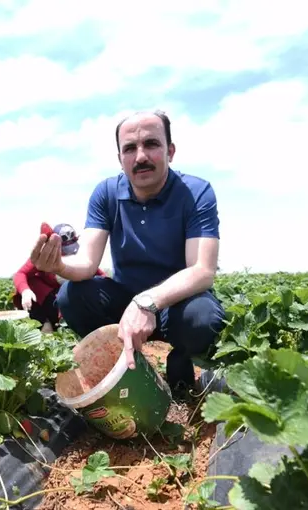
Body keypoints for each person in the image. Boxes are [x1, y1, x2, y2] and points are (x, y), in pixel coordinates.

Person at [29, 110, 226, 392]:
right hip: (124, 303)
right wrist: (58, 265)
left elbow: (202, 270)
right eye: (130, 148)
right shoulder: (106, 193)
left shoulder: (196, 192)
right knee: (71, 296)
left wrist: (147, 302)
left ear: (170, 151)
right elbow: (86, 263)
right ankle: (124, 365)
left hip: (177, 303)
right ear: (120, 158)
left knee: (203, 318)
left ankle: (180, 360)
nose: (141, 156)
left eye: (152, 144)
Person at [13, 224, 105, 333]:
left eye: (72, 249)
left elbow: (100, 276)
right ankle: (44, 322)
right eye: (64, 251)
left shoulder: (79, 259)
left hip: (67, 299)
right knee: (31, 283)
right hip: (47, 300)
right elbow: (20, 274)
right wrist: (25, 291)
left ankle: (66, 324)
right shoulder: (44, 256)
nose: (68, 254)